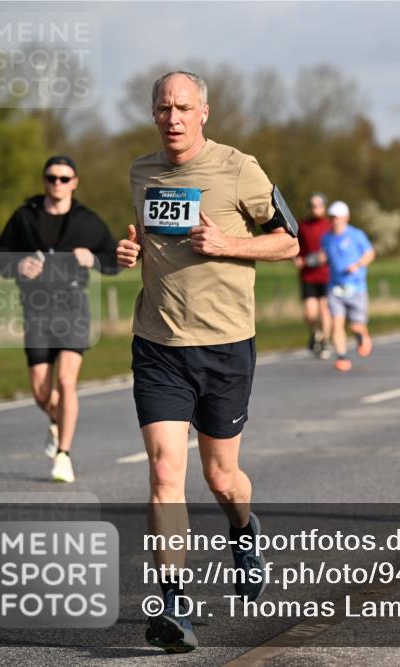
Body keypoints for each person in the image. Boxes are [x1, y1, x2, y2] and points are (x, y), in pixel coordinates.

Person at [117, 71, 299, 653]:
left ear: (205, 112)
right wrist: (129, 251)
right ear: (153, 113)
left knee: (221, 479)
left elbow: (290, 241)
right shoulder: (141, 173)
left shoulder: (239, 168)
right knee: (166, 472)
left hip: (225, 346)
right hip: (158, 345)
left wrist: (230, 245)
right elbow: (152, 243)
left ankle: (244, 530)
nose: (173, 117)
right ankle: (173, 604)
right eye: (164, 107)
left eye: (183, 107)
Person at [0, 155, 119, 483]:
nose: (57, 184)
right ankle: (57, 419)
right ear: (44, 180)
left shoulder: (87, 221)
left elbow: (114, 258)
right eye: (52, 177)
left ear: (75, 183)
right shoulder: (24, 217)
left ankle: (63, 455)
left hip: (73, 308)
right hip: (35, 309)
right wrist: (19, 265)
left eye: (64, 178)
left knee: (66, 382)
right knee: (40, 390)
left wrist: (93, 258)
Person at [320, 201, 375, 372]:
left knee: (356, 325)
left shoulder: (356, 235)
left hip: (356, 287)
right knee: (337, 322)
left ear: (346, 217)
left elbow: (370, 253)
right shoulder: (326, 238)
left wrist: (357, 265)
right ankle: (342, 357)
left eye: (337, 217)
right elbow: (324, 257)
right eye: (332, 217)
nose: (334, 220)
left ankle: (361, 335)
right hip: (335, 287)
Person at [295, 193, 333, 359]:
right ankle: (315, 333)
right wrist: (297, 259)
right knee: (310, 313)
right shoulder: (302, 226)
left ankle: (325, 341)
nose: (315, 209)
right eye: (312, 206)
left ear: (324, 207)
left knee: (325, 310)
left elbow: (336, 248)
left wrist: (326, 256)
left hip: (326, 275)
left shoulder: (329, 226)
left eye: (318, 206)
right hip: (308, 275)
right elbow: (295, 246)